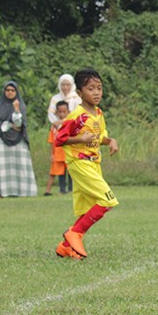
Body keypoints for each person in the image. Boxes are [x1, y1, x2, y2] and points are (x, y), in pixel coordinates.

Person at [52, 67, 119, 259]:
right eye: (91, 89)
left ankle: (65, 247)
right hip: (80, 163)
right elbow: (59, 139)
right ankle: (75, 233)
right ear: (80, 93)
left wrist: (111, 141)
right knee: (107, 200)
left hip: (94, 163)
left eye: (99, 88)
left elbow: (99, 137)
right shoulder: (77, 116)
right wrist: (80, 139)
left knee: (88, 208)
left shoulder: (98, 113)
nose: (96, 92)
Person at [0, 81, 38, 198]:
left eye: (12, 90)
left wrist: (16, 110)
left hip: (18, 139)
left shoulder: (20, 105)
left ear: (16, 92)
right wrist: (9, 125)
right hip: (3, 138)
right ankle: (3, 191)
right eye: (7, 90)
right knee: (3, 166)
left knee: (20, 165)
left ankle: (21, 191)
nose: (10, 92)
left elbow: (19, 124)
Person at [44, 100, 72, 196]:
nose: (62, 114)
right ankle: (62, 189)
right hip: (58, 153)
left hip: (69, 153)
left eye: (64, 112)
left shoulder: (70, 123)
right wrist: (52, 154)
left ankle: (71, 189)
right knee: (60, 173)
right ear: (56, 113)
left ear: (68, 112)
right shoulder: (54, 127)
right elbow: (52, 141)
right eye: (60, 112)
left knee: (71, 172)